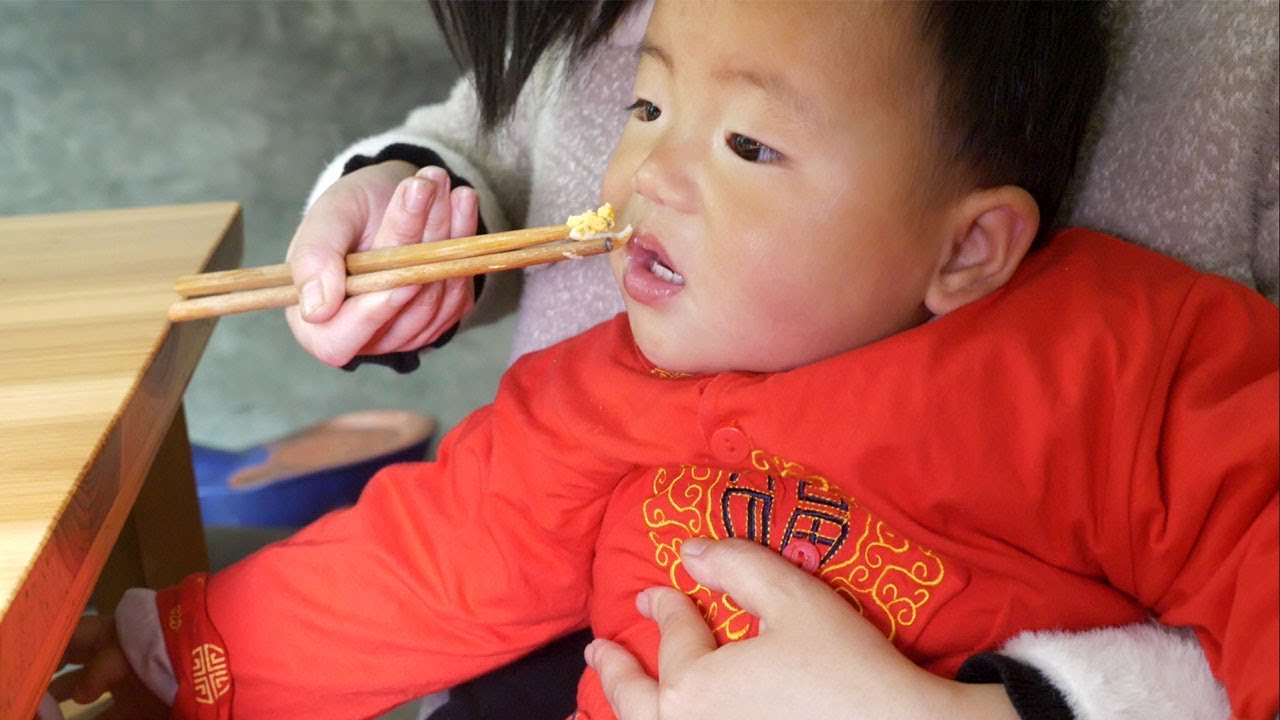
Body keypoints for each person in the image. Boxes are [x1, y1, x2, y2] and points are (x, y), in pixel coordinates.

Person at [46, 2, 1274, 720]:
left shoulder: (1131, 365)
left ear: (967, 246)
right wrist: (176, 654)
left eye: (745, 143)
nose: (642, 179)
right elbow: (421, 566)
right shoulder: (601, 390)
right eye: (645, 111)